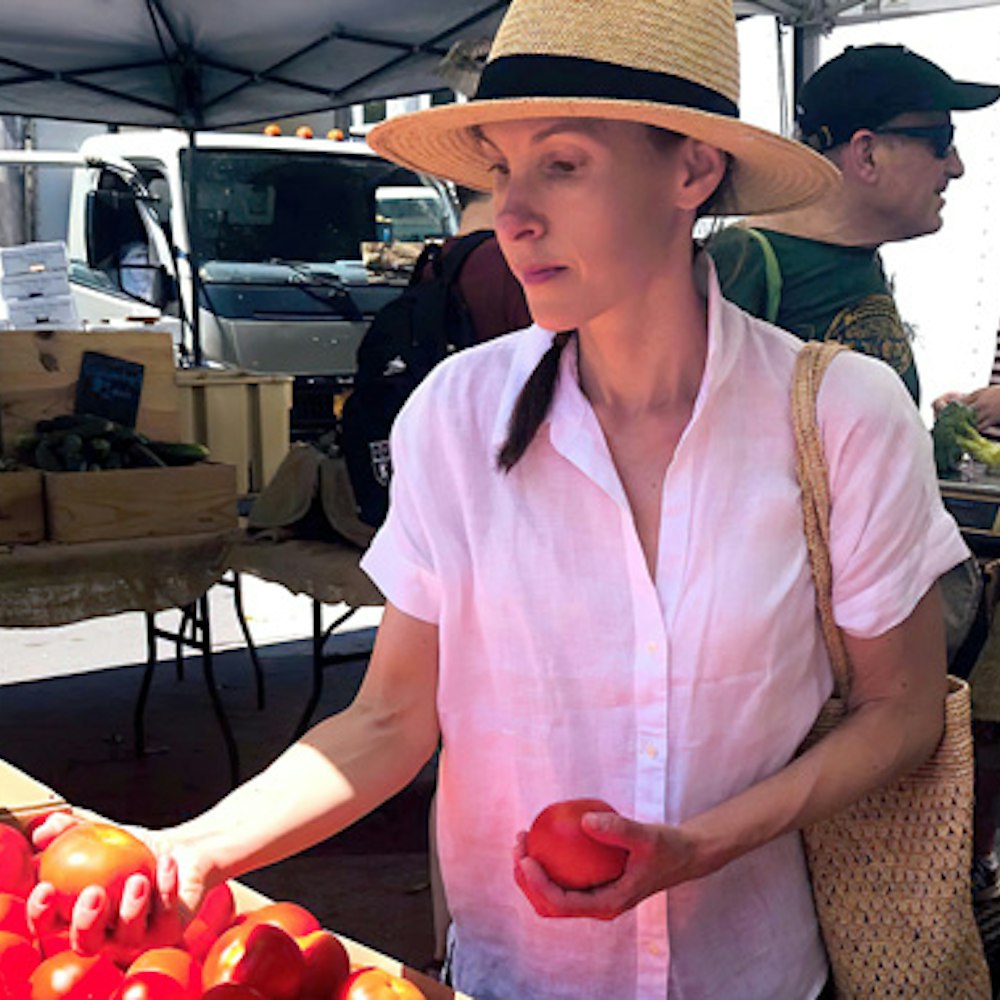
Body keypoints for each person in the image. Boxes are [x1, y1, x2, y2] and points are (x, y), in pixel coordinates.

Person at [26, 1, 970, 998]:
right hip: (511, 975)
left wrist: (700, 846)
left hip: (755, 972)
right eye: (500, 169)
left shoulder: (839, 416)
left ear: (691, 170)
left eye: (562, 164)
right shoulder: (456, 416)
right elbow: (390, 719)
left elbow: (898, 709)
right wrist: (193, 846)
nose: (513, 213)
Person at [707, 43, 1000, 407]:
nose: (957, 167)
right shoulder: (745, 259)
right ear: (867, 154)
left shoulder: (859, 256)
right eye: (941, 141)